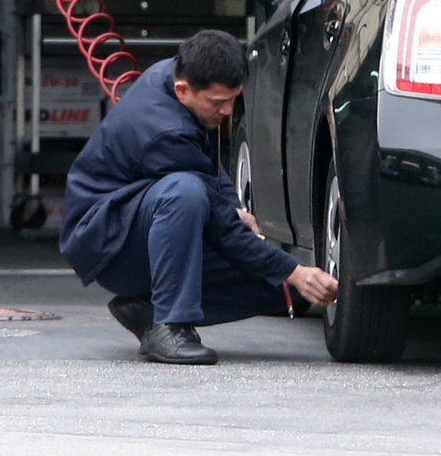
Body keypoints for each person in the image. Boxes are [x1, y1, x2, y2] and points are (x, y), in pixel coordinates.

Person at [60, 30, 340, 365]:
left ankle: (145, 309)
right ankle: (171, 325)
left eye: (233, 99)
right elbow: (222, 227)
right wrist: (294, 268)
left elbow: (208, 165)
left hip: (145, 226)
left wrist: (236, 209)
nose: (226, 111)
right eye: (218, 103)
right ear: (182, 90)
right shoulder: (166, 130)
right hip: (109, 243)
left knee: (286, 291)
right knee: (185, 193)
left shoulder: (181, 77)